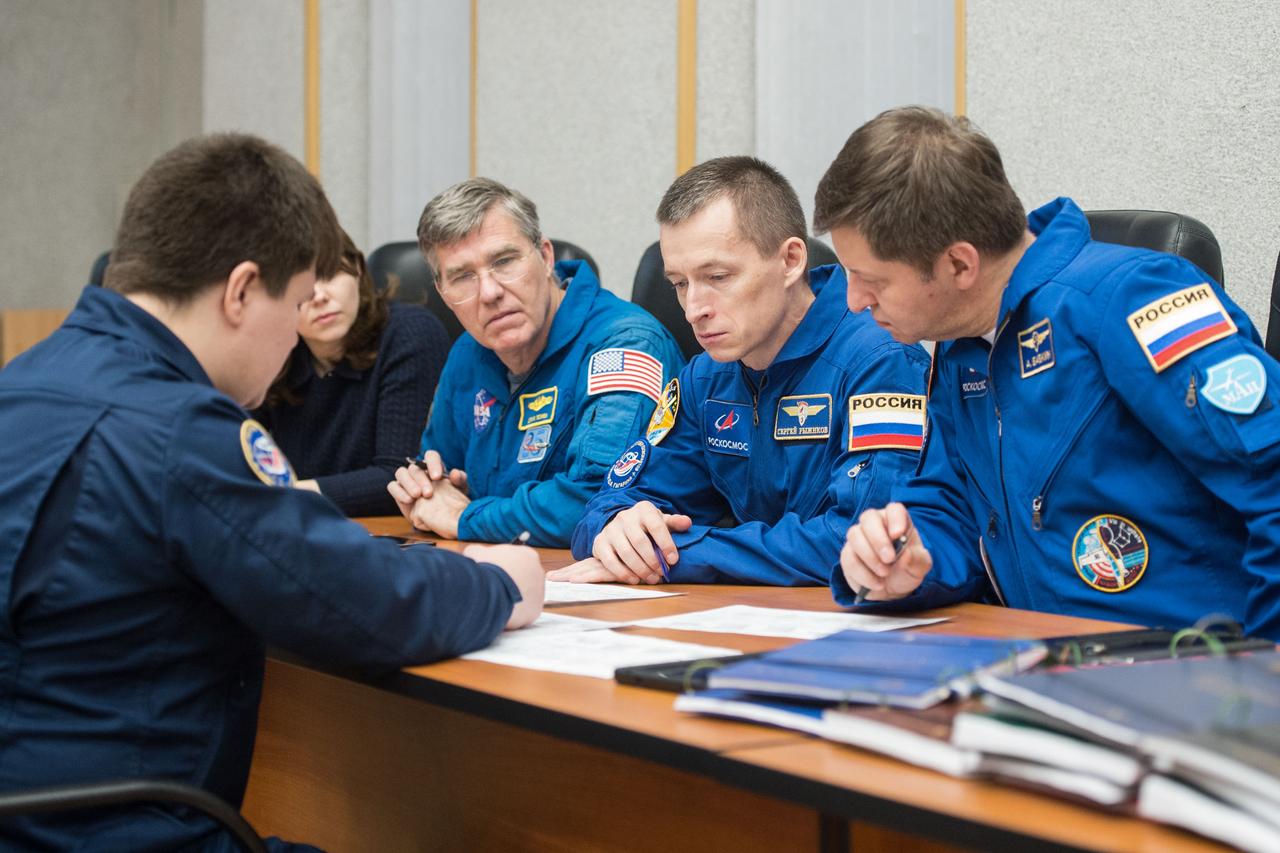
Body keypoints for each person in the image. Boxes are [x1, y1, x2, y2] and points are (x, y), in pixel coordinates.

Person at [0, 133, 545, 851]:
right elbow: (355, 598)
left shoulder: (25, 383)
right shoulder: (180, 429)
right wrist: (496, 584)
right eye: (293, 307)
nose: (295, 338)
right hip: (116, 831)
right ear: (240, 291)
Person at [817, 106, 1280, 639]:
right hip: (1046, 661)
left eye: (869, 278)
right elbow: (953, 505)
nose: (854, 302)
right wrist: (909, 559)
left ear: (960, 265)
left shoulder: (1137, 297)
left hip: (1189, 671)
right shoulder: (959, 342)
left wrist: (1262, 674)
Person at [551, 156, 929, 586]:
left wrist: (679, 551)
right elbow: (606, 505)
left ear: (790, 261)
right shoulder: (704, 378)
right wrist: (619, 528)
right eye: (679, 283)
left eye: (717, 276)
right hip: (752, 619)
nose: (694, 309)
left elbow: (861, 542)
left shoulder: (880, 358)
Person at [388, 178, 684, 546]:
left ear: (545, 257)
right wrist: (427, 488)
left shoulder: (626, 344)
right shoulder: (468, 351)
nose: (490, 292)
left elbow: (599, 499)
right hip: (493, 572)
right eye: (462, 277)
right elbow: (438, 476)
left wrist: (465, 517)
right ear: (443, 294)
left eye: (504, 261)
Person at [255, 229, 449, 516]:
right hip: (302, 529)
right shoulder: (273, 351)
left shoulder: (409, 333)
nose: (319, 295)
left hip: (396, 534)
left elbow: (399, 476)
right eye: (299, 286)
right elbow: (232, 454)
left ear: (357, 269)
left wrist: (283, 496)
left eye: (329, 273)